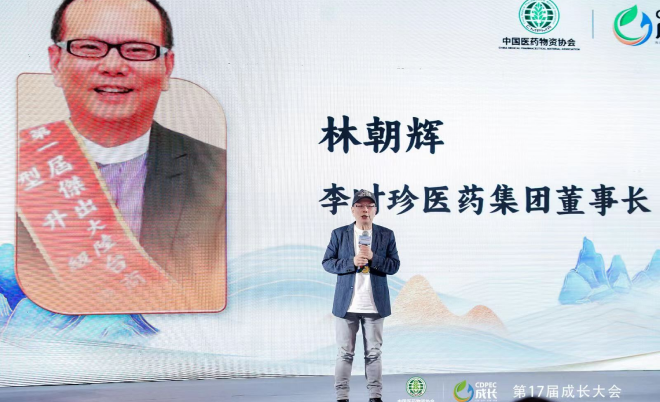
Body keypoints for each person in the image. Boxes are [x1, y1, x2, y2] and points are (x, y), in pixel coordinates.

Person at [15, 0, 226, 314]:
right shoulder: (14, 165)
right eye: (89, 47)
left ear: (167, 67)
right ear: (56, 62)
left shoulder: (220, 175)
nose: (113, 66)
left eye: (137, 50)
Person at [322, 189, 401, 402]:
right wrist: (351, 262)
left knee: (374, 353)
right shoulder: (339, 234)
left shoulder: (386, 235)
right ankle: (342, 397)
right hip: (346, 305)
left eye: (369, 206)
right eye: (360, 205)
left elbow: (394, 266)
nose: (365, 209)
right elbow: (327, 263)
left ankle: (375, 396)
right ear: (352, 210)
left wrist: (374, 258)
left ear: (375, 210)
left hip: (375, 305)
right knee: (344, 353)